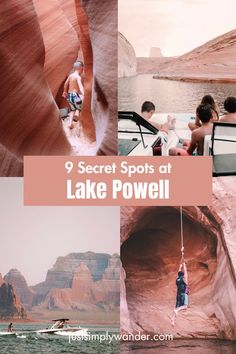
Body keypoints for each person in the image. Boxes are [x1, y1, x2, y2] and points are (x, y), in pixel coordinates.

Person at [62, 61, 85, 129]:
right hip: (75, 95)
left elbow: (66, 84)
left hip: (69, 96)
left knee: (72, 109)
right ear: (81, 68)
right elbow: (80, 86)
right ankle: (77, 114)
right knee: (80, 102)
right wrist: (83, 93)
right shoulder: (78, 77)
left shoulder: (70, 76)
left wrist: (64, 91)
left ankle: (70, 123)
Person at [171, 259, 189, 326]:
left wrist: (180, 266)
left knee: (177, 307)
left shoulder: (177, 279)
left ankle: (173, 320)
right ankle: (177, 311)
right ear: (183, 275)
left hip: (178, 295)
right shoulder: (184, 279)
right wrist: (184, 265)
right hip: (184, 294)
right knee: (185, 306)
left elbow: (179, 273)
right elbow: (185, 271)